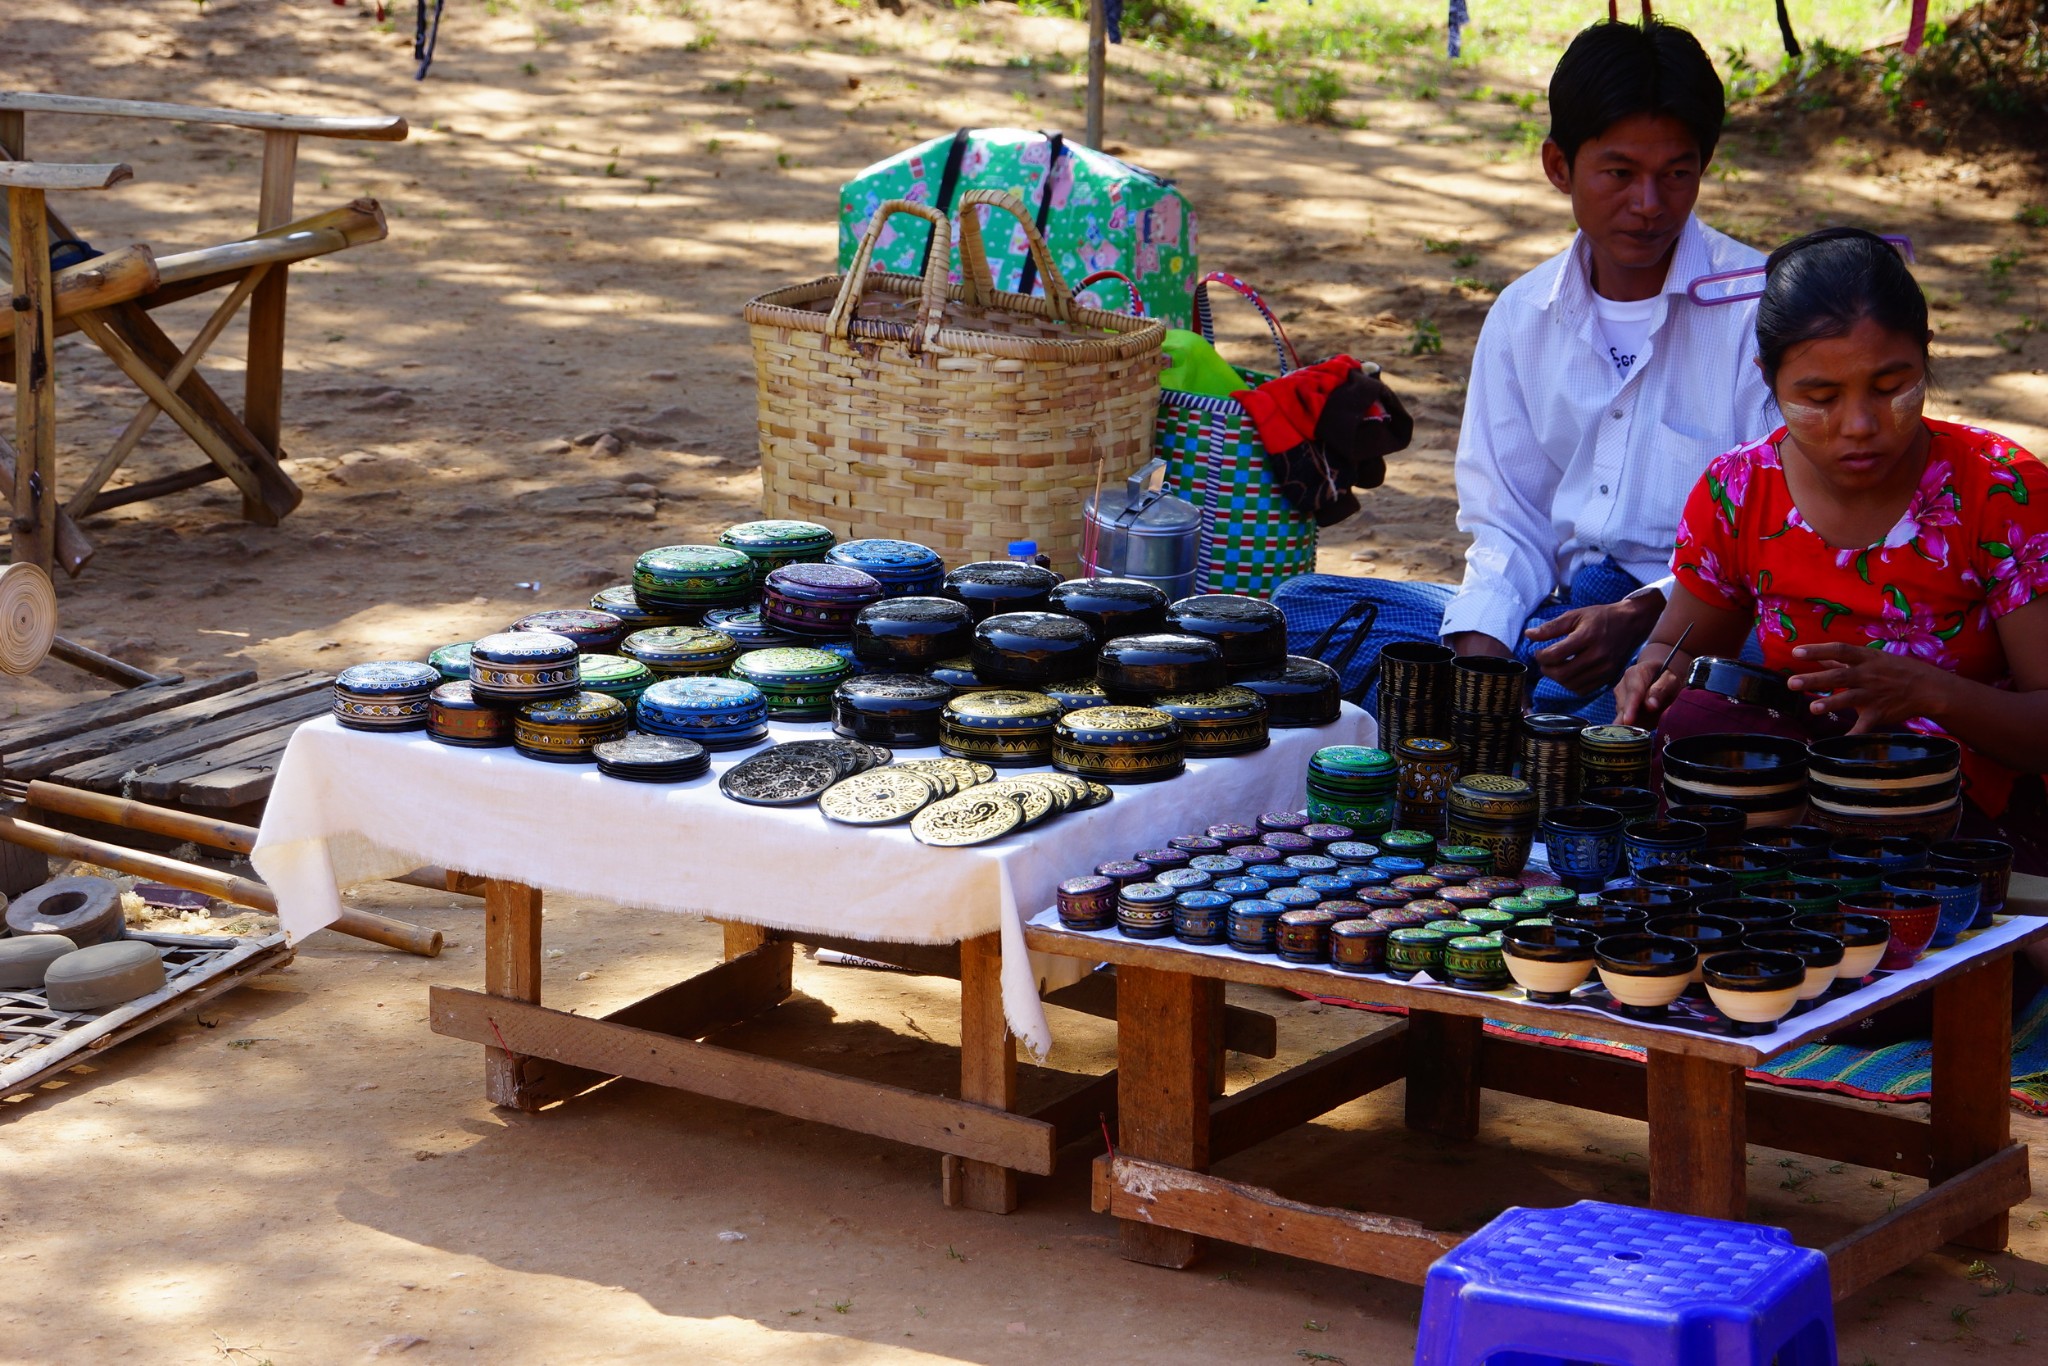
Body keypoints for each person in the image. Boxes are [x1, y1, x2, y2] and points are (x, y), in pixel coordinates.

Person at [1277, 17, 1776, 722]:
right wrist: (1482, 666)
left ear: (1704, 165)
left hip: (1693, 633)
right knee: (1301, 613)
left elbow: (1774, 537)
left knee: (1719, 694)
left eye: (1677, 174)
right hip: (1561, 625)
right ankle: (1534, 717)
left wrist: (1641, 615)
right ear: (1559, 167)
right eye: (1620, 173)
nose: (1649, 204)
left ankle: (1560, 723)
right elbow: (1509, 522)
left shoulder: (1759, 308)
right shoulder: (1523, 315)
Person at [1616, 225, 2048, 1036]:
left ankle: (1947, 950)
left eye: (1893, 385)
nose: (1859, 424)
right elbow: (1680, 645)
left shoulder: (2002, 492)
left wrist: (1927, 692)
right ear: (1768, 381)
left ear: (1928, 362)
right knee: (1690, 727)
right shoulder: (1742, 491)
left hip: (1965, 814)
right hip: (1808, 808)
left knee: (1890, 979)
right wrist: (1649, 672)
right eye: (1818, 396)